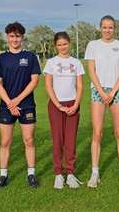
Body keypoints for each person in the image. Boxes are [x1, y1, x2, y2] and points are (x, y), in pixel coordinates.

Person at [85, 15, 119, 188]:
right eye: (104, 27)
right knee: (97, 132)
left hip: (116, 91)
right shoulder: (92, 45)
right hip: (98, 91)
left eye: (111, 27)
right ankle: (94, 173)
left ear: (115, 28)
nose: (107, 30)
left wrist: (112, 92)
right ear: (100, 28)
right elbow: (91, 71)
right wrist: (101, 91)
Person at [0, 22, 41, 188]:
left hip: (26, 105)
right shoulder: (1, 58)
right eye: (12, 36)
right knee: (5, 141)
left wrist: (17, 100)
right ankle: (3, 175)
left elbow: (34, 81)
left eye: (18, 36)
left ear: (22, 37)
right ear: (7, 37)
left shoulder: (30, 57)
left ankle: (31, 174)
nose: (15, 39)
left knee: (28, 140)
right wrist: (9, 103)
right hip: (6, 106)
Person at [44, 32, 85, 189]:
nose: (62, 47)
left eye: (65, 44)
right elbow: (48, 85)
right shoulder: (51, 62)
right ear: (56, 46)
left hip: (72, 104)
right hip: (56, 105)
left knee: (70, 140)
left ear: (69, 43)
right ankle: (58, 174)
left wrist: (75, 104)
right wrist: (59, 105)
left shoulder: (76, 62)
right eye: (59, 45)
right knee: (58, 139)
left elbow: (80, 86)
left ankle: (70, 173)